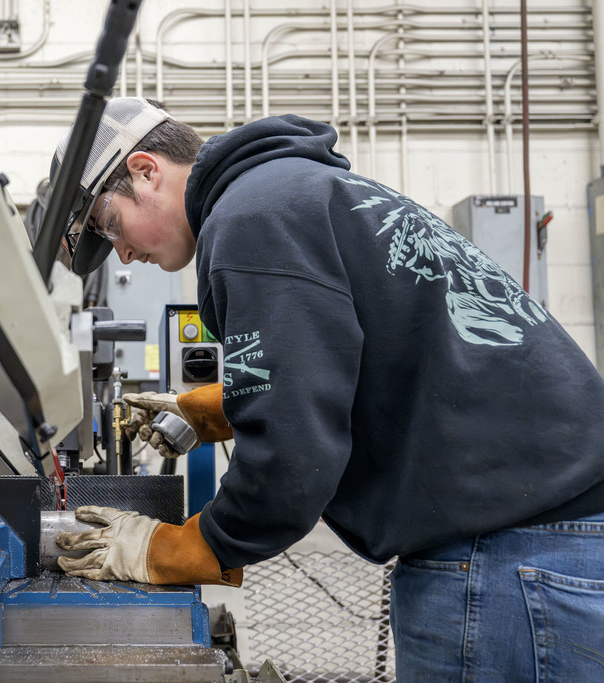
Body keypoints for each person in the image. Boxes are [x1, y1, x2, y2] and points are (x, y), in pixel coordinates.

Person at [50, 97, 604, 680]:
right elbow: (349, 367)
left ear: (145, 169)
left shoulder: (251, 221)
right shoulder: (293, 189)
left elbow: (293, 461)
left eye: (110, 227)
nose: (124, 253)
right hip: (547, 537)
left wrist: (174, 548)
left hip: (507, 558)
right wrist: (210, 410)